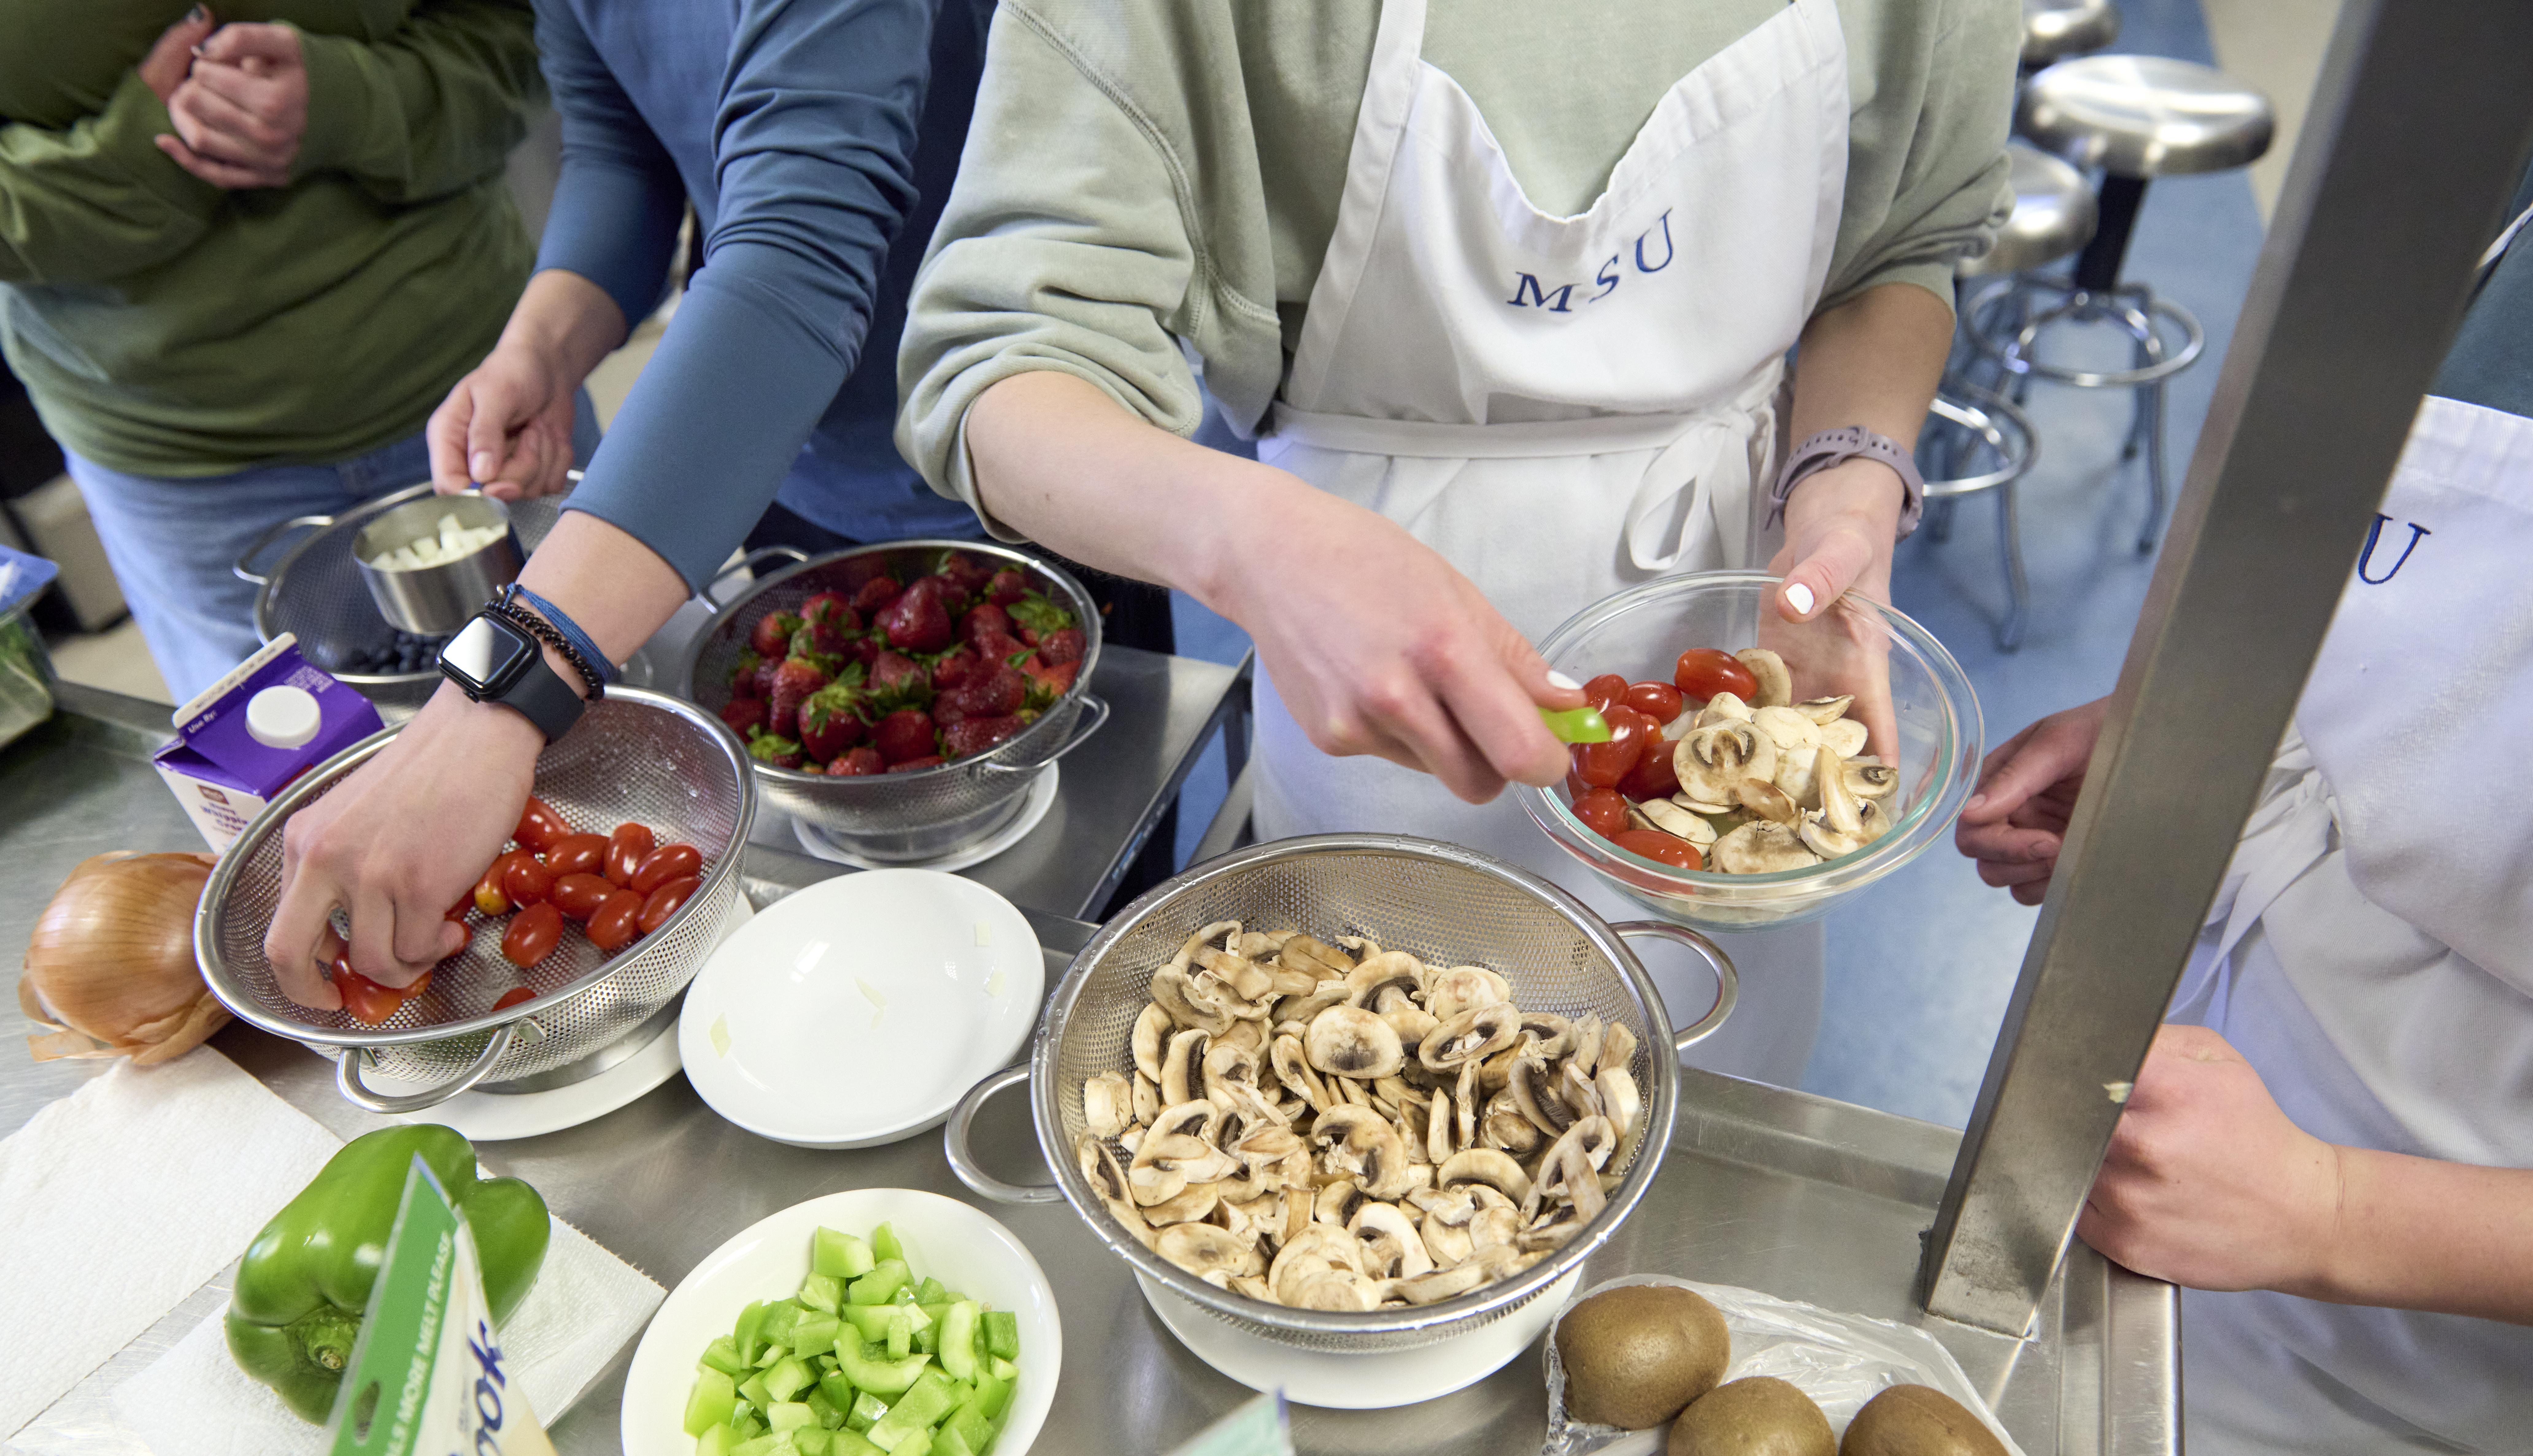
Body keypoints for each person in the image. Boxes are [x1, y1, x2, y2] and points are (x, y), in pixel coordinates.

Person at [897, 0, 2017, 1082]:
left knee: (1704, 1110)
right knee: (1393, 1131)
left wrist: (1847, 474)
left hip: (1730, 683)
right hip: (1369, 712)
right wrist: (1254, 545)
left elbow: (1901, 240)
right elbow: (997, 364)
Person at [1954, 186, 2533, 1456]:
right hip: (2202, 1060)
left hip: (2413, 1263)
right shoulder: (2487, 194)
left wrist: (2329, 1210)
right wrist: (2204, 741)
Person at [262, 0, 1001, 1010]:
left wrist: (495, 695)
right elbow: (628, 150)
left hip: (1004, 436)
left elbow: (802, 241)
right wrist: (542, 345)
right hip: (767, 448)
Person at [0, 0, 554, 700]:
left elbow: (527, 36)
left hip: (489, 387)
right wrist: (136, 169)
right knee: (303, 782)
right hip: (186, 470)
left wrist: (357, 105)